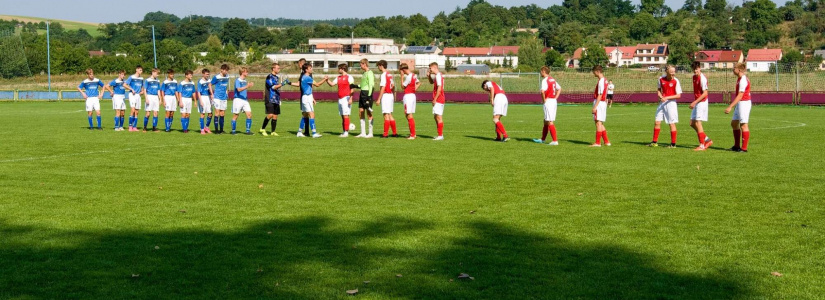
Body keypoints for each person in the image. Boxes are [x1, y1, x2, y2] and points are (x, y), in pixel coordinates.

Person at [290, 63, 327, 138]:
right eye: (310, 68)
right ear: (306, 70)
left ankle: (299, 132)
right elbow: (317, 84)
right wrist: (325, 79)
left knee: (305, 115)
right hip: (307, 97)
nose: (311, 69)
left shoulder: (303, 77)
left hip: (305, 97)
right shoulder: (307, 77)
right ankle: (314, 133)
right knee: (311, 114)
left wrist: (312, 98)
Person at [648, 65, 682, 148]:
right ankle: (654, 142)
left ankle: (673, 144)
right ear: (667, 72)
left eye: (674, 72)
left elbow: (678, 95)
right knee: (657, 122)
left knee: (671, 123)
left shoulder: (676, 81)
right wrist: (660, 96)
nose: (673, 74)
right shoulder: (661, 79)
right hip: (662, 103)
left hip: (671, 104)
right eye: (671, 72)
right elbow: (659, 90)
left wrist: (667, 97)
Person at [725, 62, 752, 153]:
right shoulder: (739, 79)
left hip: (744, 103)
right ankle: (736, 146)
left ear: (739, 70)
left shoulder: (743, 80)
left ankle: (744, 148)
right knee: (734, 123)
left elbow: (740, 95)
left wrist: (730, 106)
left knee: (743, 125)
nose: (733, 69)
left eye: (734, 68)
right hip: (740, 103)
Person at [533, 66, 561, 145]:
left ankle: (555, 141)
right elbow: (559, 89)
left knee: (549, 121)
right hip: (553, 101)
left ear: (544, 71)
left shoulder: (545, 80)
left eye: (541, 71)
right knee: (546, 120)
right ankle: (542, 139)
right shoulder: (552, 79)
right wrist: (555, 97)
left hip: (548, 101)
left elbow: (542, 91)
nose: (540, 73)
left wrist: (544, 100)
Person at [689, 61, 713, 151]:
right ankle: (707, 140)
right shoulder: (694, 77)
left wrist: (695, 102)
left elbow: (705, 93)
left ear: (700, 68)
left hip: (702, 102)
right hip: (697, 102)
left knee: (698, 123)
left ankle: (702, 145)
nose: (695, 71)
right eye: (694, 69)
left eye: (697, 69)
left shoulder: (702, 78)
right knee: (692, 123)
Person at [326, 63, 355, 137]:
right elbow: (332, 84)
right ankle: (344, 131)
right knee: (342, 115)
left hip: (346, 98)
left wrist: (351, 98)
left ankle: (346, 132)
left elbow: (352, 89)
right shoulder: (338, 77)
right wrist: (327, 80)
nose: (338, 70)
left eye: (339, 68)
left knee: (346, 115)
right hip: (340, 99)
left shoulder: (349, 77)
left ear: (343, 69)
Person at [261, 62, 289, 136]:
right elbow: (273, 87)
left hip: (276, 98)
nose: (279, 69)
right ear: (273, 68)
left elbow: (277, 87)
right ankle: (262, 129)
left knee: (275, 116)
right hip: (270, 98)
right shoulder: (269, 77)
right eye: (278, 68)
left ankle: (273, 131)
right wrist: (283, 83)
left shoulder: (276, 77)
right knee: (270, 114)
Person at [375, 60, 397, 138]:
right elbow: (393, 85)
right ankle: (394, 133)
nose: (378, 67)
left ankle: (385, 134)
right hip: (390, 95)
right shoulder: (389, 74)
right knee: (390, 114)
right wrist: (394, 95)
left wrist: (379, 99)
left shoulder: (384, 75)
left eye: (378, 66)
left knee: (385, 115)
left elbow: (383, 87)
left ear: (381, 65)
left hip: (386, 96)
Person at [590, 65, 611, 147]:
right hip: (603, 103)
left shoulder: (601, 81)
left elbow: (600, 94)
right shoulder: (605, 80)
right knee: (601, 123)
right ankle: (606, 141)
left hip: (599, 103)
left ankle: (597, 143)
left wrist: (595, 106)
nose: (594, 74)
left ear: (597, 71)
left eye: (594, 72)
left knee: (598, 123)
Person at [231, 67, 254, 135]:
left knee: (249, 114)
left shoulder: (245, 81)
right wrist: (247, 86)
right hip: (238, 99)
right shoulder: (237, 80)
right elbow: (238, 89)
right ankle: (233, 131)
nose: (247, 73)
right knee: (236, 115)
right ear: (242, 72)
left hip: (245, 100)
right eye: (246, 72)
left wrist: (248, 86)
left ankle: (248, 131)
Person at [400, 63, 420, 139]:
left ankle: (413, 134)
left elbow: (402, 87)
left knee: (408, 115)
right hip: (412, 95)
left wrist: (401, 77)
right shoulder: (414, 75)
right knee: (408, 114)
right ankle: (412, 133)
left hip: (408, 96)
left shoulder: (408, 77)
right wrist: (414, 89)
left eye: (401, 71)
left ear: (403, 70)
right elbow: (418, 83)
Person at [356, 59, 375, 138]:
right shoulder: (364, 73)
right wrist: (355, 86)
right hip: (362, 93)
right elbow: (363, 84)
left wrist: (369, 97)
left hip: (367, 93)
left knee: (369, 112)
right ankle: (363, 133)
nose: (360, 66)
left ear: (364, 64)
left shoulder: (370, 73)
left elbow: (371, 85)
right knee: (361, 111)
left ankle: (370, 133)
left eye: (361, 64)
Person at [210, 64, 231, 134]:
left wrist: (226, 91)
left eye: (227, 70)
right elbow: (210, 84)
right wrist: (212, 94)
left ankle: (221, 130)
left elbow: (226, 86)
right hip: (217, 97)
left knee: (222, 114)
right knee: (217, 113)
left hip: (224, 97)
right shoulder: (216, 77)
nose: (226, 72)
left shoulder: (227, 76)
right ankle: (216, 130)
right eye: (225, 70)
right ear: (221, 70)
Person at [427, 62, 445, 140]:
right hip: (439, 98)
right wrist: (429, 77)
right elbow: (431, 82)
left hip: (439, 98)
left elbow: (439, 88)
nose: (429, 69)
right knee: (436, 116)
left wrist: (435, 99)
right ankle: (439, 134)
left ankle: (440, 135)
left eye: (430, 68)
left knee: (438, 117)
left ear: (434, 67)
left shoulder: (438, 76)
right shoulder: (437, 76)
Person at [124, 66, 144, 131]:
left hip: (138, 95)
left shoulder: (141, 78)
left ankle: (134, 127)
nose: (141, 71)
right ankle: (130, 126)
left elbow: (142, 87)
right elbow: (124, 85)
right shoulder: (131, 77)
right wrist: (131, 89)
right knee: (132, 110)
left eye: (141, 70)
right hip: (132, 95)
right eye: (140, 70)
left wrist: (142, 92)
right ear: (136, 70)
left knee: (137, 112)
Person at [296, 58, 311, 136]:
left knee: (306, 113)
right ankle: (306, 131)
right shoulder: (302, 73)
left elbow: (312, 85)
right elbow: (298, 84)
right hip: (305, 95)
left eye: (299, 64)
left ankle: (305, 131)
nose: (298, 65)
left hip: (306, 95)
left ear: (302, 64)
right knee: (306, 113)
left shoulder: (305, 74)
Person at [196, 69, 213, 135]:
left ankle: (207, 127)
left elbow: (210, 88)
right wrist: (200, 101)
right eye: (206, 74)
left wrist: (211, 95)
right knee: (202, 114)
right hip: (202, 98)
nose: (208, 75)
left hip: (208, 97)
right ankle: (202, 129)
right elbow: (199, 92)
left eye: (208, 74)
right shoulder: (200, 82)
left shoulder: (209, 80)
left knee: (210, 113)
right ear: (203, 74)